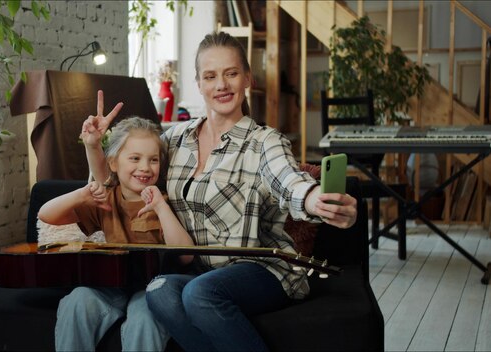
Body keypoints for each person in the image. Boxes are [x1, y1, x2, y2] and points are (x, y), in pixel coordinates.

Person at [83, 32, 358, 351]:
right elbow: (121, 182)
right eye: (210, 76)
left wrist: (314, 199)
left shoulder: (264, 141)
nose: (221, 85)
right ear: (198, 83)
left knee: (201, 293)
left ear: (247, 80)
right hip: (198, 272)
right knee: (158, 290)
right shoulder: (175, 139)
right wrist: (94, 148)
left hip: (261, 268)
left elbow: (287, 178)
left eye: (231, 73)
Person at [38, 115, 193, 352]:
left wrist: (161, 208)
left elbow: (185, 256)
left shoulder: (163, 200)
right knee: (77, 300)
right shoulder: (106, 199)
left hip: (152, 288)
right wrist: (81, 194)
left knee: (145, 317)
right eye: (135, 158)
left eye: (153, 160)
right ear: (113, 163)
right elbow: (46, 214)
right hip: (112, 285)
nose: (145, 167)